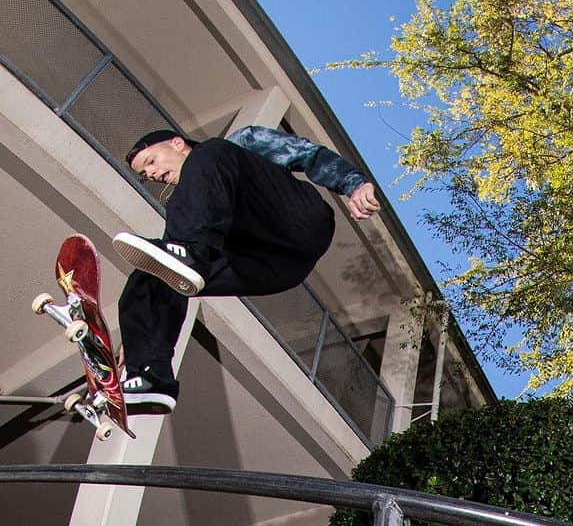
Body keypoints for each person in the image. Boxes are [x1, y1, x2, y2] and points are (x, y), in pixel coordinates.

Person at [112, 125, 381, 413]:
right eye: (144, 175)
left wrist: (353, 183)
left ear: (177, 144)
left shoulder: (235, 145)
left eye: (150, 162)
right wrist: (141, 335)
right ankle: (151, 378)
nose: (150, 175)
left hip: (299, 223)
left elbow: (306, 154)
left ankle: (193, 252)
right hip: (273, 267)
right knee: (150, 274)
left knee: (211, 154)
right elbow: (168, 270)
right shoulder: (191, 206)